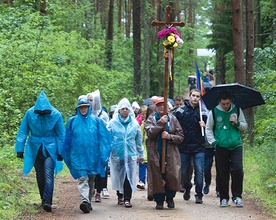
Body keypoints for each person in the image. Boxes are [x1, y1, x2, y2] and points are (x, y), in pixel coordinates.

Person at [15, 91, 65, 212]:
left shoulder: (56, 114)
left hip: (50, 148)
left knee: (48, 174)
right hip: (35, 147)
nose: (42, 114)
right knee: (39, 175)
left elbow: (60, 135)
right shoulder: (30, 113)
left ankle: (47, 201)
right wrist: (19, 149)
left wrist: (60, 151)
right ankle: (43, 199)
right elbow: (23, 131)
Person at [62, 98, 113, 213]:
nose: (83, 109)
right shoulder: (72, 121)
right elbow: (67, 139)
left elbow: (104, 139)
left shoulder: (96, 121)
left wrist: (103, 155)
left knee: (91, 180)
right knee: (82, 178)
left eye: (85, 107)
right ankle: (84, 200)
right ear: (78, 108)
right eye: (81, 107)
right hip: (77, 155)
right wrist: (67, 153)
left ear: (89, 108)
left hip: (92, 156)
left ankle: (88, 200)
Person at [205, 91, 248, 207]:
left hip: (236, 144)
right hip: (221, 146)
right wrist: (214, 142)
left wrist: (236, 122)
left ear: (231, 101)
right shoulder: (213, 112)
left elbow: (245, 126)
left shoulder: (237, 110)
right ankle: (224, 198)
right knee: (222, 172)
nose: (225, 106)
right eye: (223, 103)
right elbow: (208, 129)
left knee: (238, 169)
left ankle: (237, 196)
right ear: (219, 101)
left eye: (227, 103)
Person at [145, 97, 184, 210]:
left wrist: (170, 136)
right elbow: (150, 133)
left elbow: (181, 136)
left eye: (164, 105)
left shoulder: (173, 119)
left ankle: (170, 197)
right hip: (156, 153)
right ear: (156, 107)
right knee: (157, 176)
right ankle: (159, 199)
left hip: (170, 153)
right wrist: (159, 124)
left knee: (172, 175)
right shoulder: (151, 119)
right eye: (159, 105)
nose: (162, 107)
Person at [107, 98, 144, 208]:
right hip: (117, 154)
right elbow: (107, 139)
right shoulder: (112, 123)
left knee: (129, 176)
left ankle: (128, 198)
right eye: (122, 108)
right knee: (119, 176)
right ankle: (120, 196)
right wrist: (106, 153)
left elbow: (138, 140)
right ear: (118, 110)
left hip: (130, 155)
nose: (124, 110)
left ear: (129, 110)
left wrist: (140, 154)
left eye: (126, 108)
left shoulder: (134, 124)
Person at [174, 89, 207, 204]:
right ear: (189, 96)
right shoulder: (180, 111)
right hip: (184, 146)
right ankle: (187, 187)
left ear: (199, 98)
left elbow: (211, 128)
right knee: (183, 171)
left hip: (199, 146)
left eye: (197, 96)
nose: (195, 98)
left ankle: (199, 194)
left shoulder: (203, 112)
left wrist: (205, 125)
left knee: (199, 171)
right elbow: (174, 125)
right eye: (193, 95)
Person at [87, 90, 110, 201]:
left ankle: (98, 191)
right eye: (88, 100)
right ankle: (90, 189)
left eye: (91, 100)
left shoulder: (103, 115)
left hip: (100, 145)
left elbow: (106, 130)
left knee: (101, 167)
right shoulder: (85, 114)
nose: (89, 102)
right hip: (89, 146)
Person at [136, 105, 149, 190]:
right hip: (143, 148)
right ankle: (142, 181)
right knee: (142, 164)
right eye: (142, 114)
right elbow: (140, 137)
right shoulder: (142, 125)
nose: (144, 116)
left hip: (149, 148)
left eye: (145, 114)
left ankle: (150, 181)